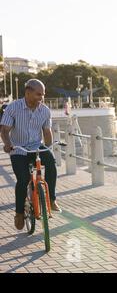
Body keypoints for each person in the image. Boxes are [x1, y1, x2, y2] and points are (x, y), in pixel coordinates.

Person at [0, 79, 62, 231]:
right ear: (27, 93)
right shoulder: (13, 108)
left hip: (36, 147)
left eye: (43, 94)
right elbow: (4, 130)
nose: (41, 97)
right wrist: (7, 144)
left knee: (51, 161)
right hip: (18, 150)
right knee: (23, 180)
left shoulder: (45, 110)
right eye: (38, 94)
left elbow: (47, 133)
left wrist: (48, 148)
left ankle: (51, 199)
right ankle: (19, 213)